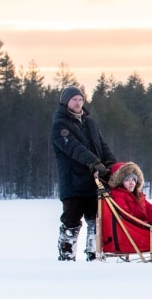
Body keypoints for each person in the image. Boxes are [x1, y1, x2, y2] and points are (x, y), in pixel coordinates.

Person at [49, 85, 115, 261]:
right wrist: (94, 162)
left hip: (94, 183)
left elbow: (103, 146)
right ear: (66, 102)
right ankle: (66, 257)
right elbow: (74, 148)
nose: (78, 103)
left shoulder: (89, 123)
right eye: (74, 100)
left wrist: (112, 165)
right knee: (71, 222)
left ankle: (94, 256)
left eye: (80, 99)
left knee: (96, 222)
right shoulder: (60, 125)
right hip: (73, 183)